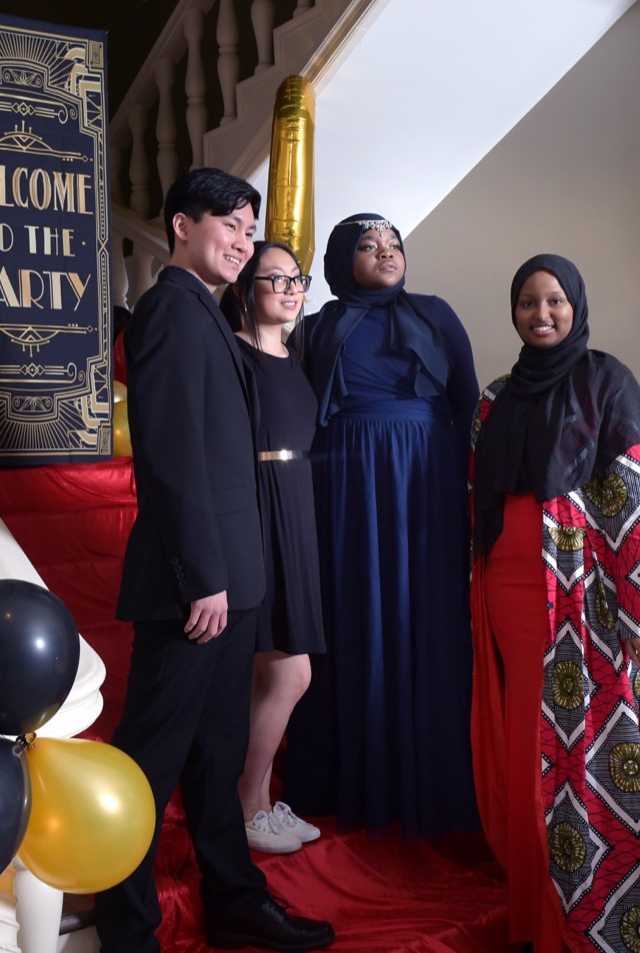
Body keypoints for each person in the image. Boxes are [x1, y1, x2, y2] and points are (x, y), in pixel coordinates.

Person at [95, 169, 334, 953]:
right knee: (150, 761)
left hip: (236, 582)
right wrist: (205, 576)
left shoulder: (205, 313)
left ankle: (234, 897)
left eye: (247, 227)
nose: (240, 240)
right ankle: (126, 929)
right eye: (228, 224)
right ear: (181, 227)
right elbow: (168, 459)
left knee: (217, 753)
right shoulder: (169, 310)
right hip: (195, 587)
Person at [468, 255, 640, 953]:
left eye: (554, 302)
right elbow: (474, 498)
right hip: (505, 591)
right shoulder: (495, 397)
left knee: (580, 758)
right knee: (525, 750)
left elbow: (632, 502)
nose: (540, 315)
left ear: (576, 306)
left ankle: (587, 925)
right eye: (527, 303)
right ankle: (533, 915)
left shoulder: (608, 382)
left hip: (583, 598)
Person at [283, 213, 481, 838]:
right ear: (345, 260)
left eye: (394, 244)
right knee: (355, 611)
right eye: (368, 246)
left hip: (427, 481)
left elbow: (468, 402)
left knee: (425, 614)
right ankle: (352, 777)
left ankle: (434, 779)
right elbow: (293, 410)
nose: (386, 253)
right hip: (344, 484)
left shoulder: (437, 313)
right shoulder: (314, 327)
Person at [220, 242, 327, 855]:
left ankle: (258, 802)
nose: (291, 290)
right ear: (245, 287)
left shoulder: (297, 355)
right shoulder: (231, 354)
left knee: (281, 673)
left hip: (296, 507)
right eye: (275, 279)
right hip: (256, 509)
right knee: (290, 673)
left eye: (298, 280)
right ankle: (245, 802)